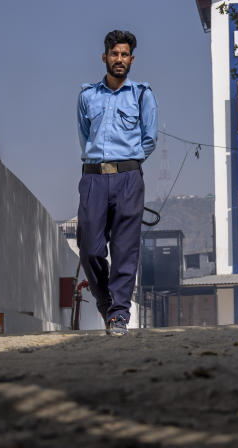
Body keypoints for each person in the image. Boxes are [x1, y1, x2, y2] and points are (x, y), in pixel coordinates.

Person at [76, 30, 158, 337]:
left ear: (131, 59)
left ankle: (119, 315)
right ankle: (105, 300)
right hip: (94, 177)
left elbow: (149, 138)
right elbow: (84, 135)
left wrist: (130, 163)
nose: (119, 59)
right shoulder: (87, 96)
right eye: (114, 54)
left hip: (128, 178)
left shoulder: (142, 94)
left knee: (125, 248)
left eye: (124, 55)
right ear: (105, 57)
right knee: (90, 248)